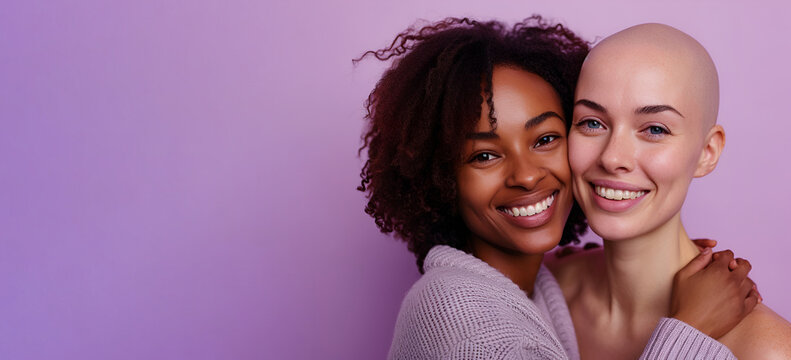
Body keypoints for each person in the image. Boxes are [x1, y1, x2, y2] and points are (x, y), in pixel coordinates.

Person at [357, 17, 756, 359]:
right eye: (483, 156)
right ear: (440, 178)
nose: (527, 176)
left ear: (708, 150)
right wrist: (692, 330)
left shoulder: (542, 289)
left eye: (545, 139)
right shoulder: (451, 310)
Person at [548, 23, 791, 359]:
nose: (613, 157)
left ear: (708, 152)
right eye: (592, 122)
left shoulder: (766, 350)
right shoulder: (542, 288)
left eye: (655, 129)